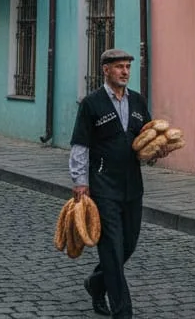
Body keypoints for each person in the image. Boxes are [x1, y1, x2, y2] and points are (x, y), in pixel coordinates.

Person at [69, 48, 152, 319]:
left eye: (128, 66)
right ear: (106, 69)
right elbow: (80, 144)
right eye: (119, 67)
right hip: (103, 186)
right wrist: (80, 181)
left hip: (132, 186)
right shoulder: (92, 103)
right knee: (112, 249)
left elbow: (148, 140)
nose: (125, 72)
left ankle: (96, 283)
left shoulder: (138, 102)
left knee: (128, 244)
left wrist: (157, 153)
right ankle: (122, 311)